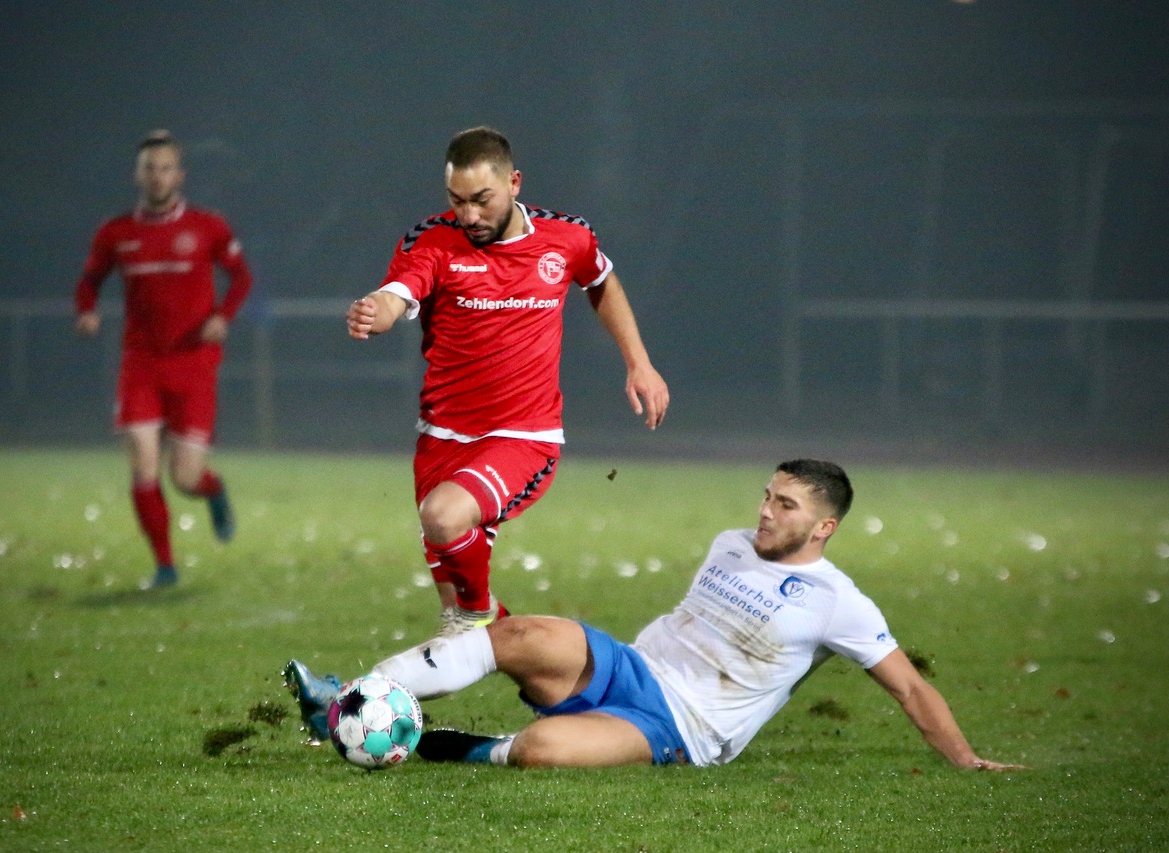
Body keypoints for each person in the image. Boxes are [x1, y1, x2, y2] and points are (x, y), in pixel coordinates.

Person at [284, 459, 1023, 771]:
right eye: (766, 495)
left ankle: (448, 746)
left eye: (785, 505)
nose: (764, 512)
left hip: (680, 727)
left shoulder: (841, 602)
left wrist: (964, 758)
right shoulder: (732, 543)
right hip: (627, 663)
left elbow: (910, 686)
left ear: (824, 527)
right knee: (514, 632)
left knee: (543, 752)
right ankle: (346, 699)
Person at [345, 126, 669, 636]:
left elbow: (601, 280)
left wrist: (639, 362)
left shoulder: (566, 238)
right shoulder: (432, 241)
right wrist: (375, 311)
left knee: (445, 523)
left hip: (523, 436)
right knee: (456, 625)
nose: (469, 216)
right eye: (457, 201)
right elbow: (398, 293)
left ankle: (483, 617)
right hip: (442, 439)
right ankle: (527, 666)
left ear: (514, 183)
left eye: (481, 200)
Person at [74, 130, 253, 589]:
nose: (157, 176)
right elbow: (89, 280)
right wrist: (87, 311)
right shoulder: (117, 232)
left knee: (185, 477)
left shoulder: (207, 226)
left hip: (194, 364)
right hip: (141, 364)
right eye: (149, 168)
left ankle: (213, 492)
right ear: (138, 175)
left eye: (166, 167)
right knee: (143, 465)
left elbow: (241, 278)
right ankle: (165, 567)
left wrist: (222, 317)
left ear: (180, 174)